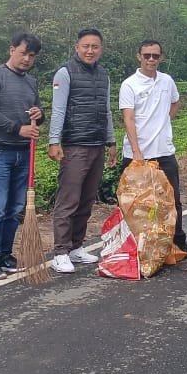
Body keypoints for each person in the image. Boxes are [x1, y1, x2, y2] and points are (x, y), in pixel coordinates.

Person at [119, 39, 187, 260]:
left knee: (172, 200)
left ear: (161, 57)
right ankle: (137, 247)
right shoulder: (129, 84)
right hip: (138, 155)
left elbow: (176, 102)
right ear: (139, 56)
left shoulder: (167, 81)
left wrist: (164, 121)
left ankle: (178, 242)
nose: (151, 59)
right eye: (147, 55)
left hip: (164, 151)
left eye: (155, 56)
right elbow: (128, 118)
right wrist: (137, 152)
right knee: (137, 203)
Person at [47, 28, 117, 274]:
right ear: (77, 47)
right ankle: (61, 252)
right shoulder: (65, 73)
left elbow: (107, 110)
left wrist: (111, 142)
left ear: (101, 49)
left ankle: (76, 246)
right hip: (75, 145)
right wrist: (54, 141)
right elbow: (58, 110)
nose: (90, 50)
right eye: (85, 46)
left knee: (87, 199)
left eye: (95, 46)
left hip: (97, 144)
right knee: (69, 200)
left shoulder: (103, 76)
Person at [0, 32, 45, 280]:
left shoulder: (31, 82)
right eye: (23, 53)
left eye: (32, 55)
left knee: (15, 208)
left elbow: (38, 113)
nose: (26, 59)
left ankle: (5, 254)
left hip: (23, 151)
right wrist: (17, 128)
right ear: (11, 50)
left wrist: (40, 113)